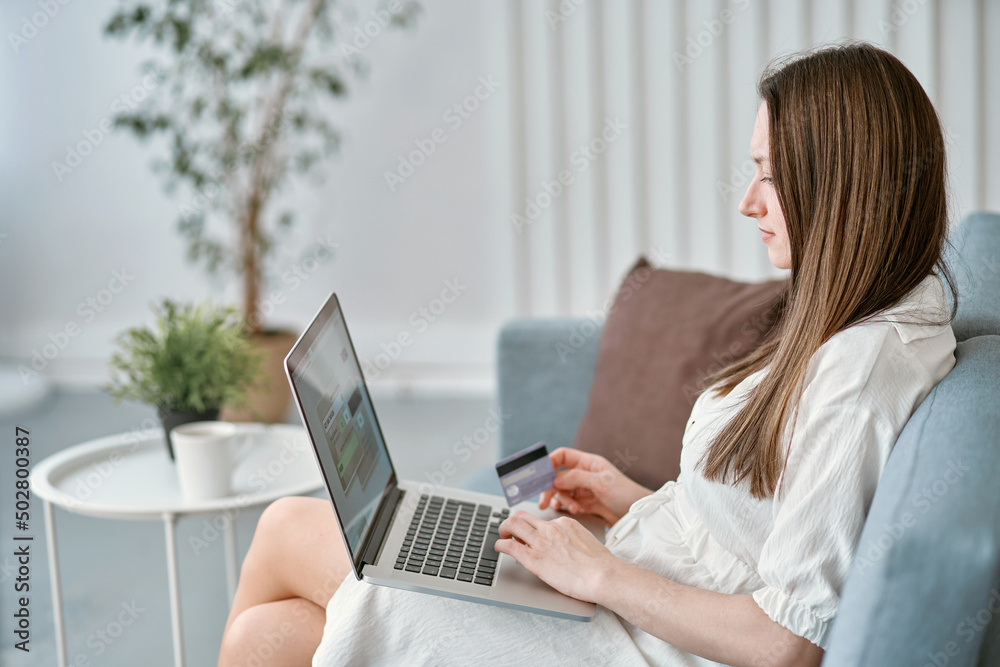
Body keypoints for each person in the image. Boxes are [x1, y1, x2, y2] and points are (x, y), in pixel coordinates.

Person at [218, 41, 958, 667]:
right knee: (269, 635)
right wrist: (624, 498)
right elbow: (753, 534)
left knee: (289, 530)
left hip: (638, 642)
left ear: (838, 183)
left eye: (769, 172)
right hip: (635, 592)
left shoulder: (864, 370)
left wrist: (597, 570)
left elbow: (786, 641)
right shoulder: (852, 316)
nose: (747, 200)